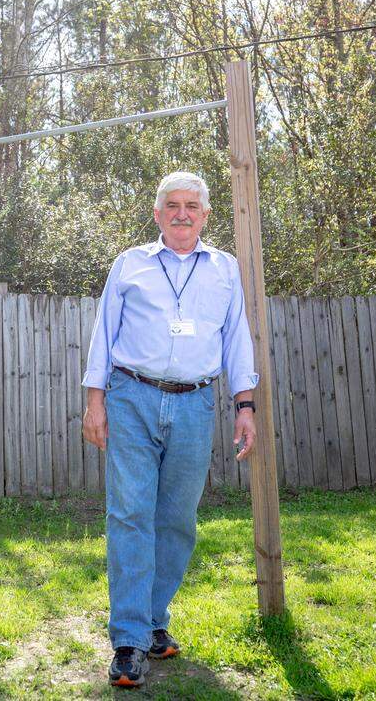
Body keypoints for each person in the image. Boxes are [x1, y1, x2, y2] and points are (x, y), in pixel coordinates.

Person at [81, 171, 259, 688]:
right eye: (173, 205)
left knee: (177, 520)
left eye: (192, 206)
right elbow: (103, 333)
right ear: (158, 214)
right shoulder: (129, 264)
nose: (183, 213)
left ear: (206, 215)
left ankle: (154, 619)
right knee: (131, 514)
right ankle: (129, 641)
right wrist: (95, 401)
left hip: (195, 404)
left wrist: (243, 405)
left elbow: (237, 341)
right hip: (131, 396)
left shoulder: (225, 270)